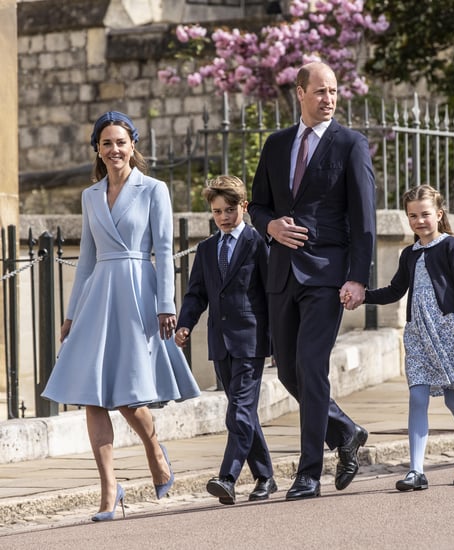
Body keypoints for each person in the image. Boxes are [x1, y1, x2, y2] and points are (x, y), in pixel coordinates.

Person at [42, 111, 200, 521]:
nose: (115, 150)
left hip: (137, 292)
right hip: (97, 299)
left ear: (133, 146)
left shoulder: (154, 190)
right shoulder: (89, 195)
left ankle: (153, 449)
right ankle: (109, 490)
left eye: (121, 142)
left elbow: (163, 250)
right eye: (107, 143)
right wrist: (72, 314)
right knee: (92, 395)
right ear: (97, 147)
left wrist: (166, 303)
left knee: (129, 396)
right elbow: (89, 258)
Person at [248, 61, 376, 500]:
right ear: (299, 93)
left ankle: (309, 473)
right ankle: (345, 430)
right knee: (286, 370)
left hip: (327, 276)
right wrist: (271, 228)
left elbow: (364, 220)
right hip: (282, 274)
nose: (329, 99)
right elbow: (257, 205)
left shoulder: (351, 145)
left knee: (311, 366)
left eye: (334, 92)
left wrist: (358, 278)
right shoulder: (277, 144)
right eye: (320, 91)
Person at [360, 184, 454, 491]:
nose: (419, 221)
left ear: (438, 214)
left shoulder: (451, 246)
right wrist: (361, 296)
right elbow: (394, 290)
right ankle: (416, 470)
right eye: (412, 216)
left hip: (447, 329)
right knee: (417, 397)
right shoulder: (409, 254)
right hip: (417, 333)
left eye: (425, 214)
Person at [175, 175, 276, 505]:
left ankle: (228, 477)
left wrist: (277, 338)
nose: (223, 217)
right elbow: (196, 293)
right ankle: (265, 477)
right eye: (217, 211)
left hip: (251, 339)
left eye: (230, 210)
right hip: (219, 342)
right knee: (243, 412)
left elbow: (270, 293)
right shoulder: (206, 249)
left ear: (243, 207)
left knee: (238, 413)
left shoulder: (258, 242)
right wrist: (185, 324)